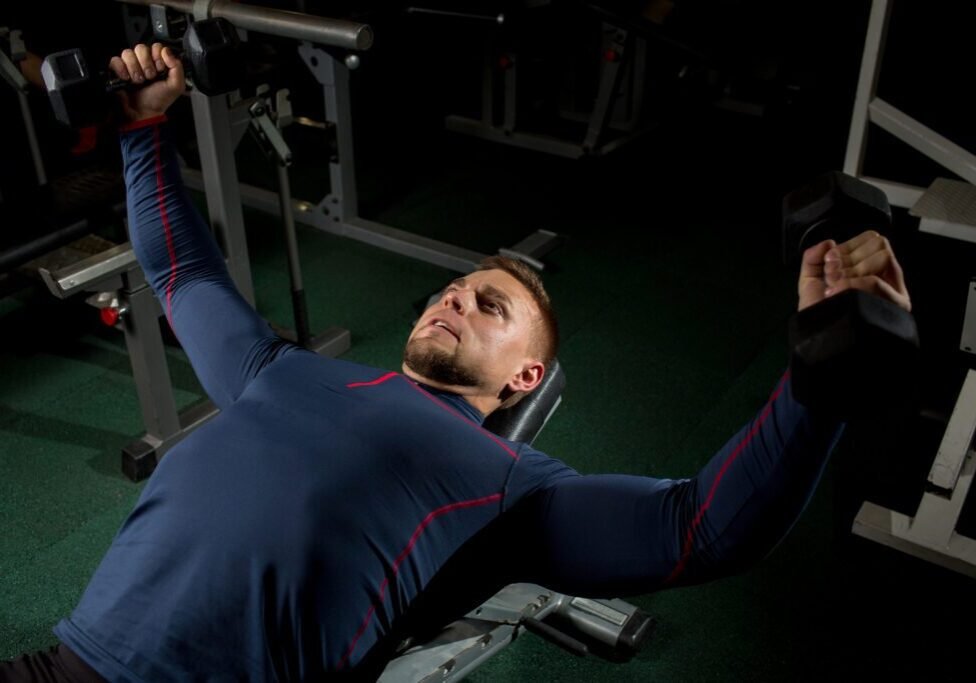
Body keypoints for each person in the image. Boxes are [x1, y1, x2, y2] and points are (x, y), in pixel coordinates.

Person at [1, 43, 912, 682]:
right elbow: (184, 267)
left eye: (492, 305)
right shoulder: (274, 368)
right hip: (63, 660)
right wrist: (139, 126)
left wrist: (819, 379)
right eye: (453, 290)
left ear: (525, 380)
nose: (454, 300)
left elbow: (699, 528)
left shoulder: (510, 486)